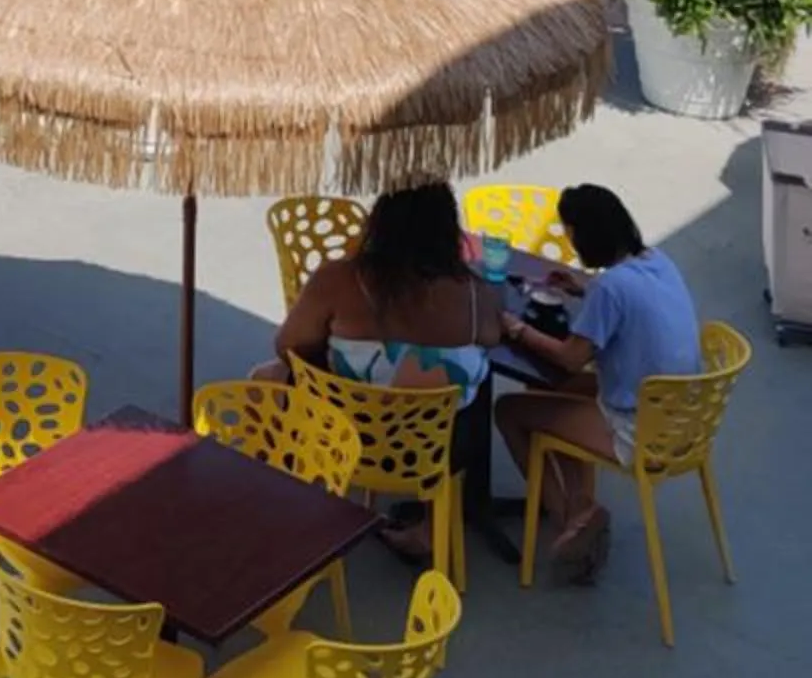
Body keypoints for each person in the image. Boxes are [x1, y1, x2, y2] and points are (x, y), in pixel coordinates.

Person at [265, 183, 505, 554]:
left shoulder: (339, 280)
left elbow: (287, 347)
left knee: (266, 379)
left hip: (343, 435)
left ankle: (286, 510)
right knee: (474, 381)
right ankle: (430, 529)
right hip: (435, 453)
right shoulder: (476, 294)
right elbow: (491, 338)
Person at [496, 183, 701, 585]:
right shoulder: (658, 260)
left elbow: (570, 357)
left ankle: (567, 523)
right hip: (685, 415)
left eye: (571, 236)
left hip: (643, 429)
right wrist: (583, 287)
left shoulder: (610, 288)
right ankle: (582, 509)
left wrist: (517, 329)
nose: (571, 247)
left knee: (510, 411)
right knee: (556, 394)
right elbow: (629, 299)